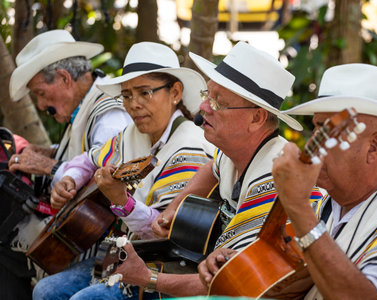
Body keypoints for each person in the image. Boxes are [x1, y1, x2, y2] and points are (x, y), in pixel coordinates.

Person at [200, 63, 377, 299]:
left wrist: (298, 208)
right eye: (315, 130)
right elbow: (302, 270)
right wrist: (244, 265)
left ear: (374, 148)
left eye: (325, 133)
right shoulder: (331, 206)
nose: (311, 145)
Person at [108, 41, 323, 298]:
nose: (203, 109)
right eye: (206, 96)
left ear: (257, 118)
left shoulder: (272, 178)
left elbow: (231, 281)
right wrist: (178, 203)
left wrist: (148, 278)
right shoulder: (233, 152)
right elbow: (213, 166)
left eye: (218, 103)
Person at [32, 41, 215, 300]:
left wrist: (122, 202)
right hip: (122, 251)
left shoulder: (190, 148)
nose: (133, 104)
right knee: (45, 290)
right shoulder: (130, 135)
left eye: (145, 93)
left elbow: (165, 234)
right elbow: (89, 159)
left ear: (175, 92)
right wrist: (71, 178)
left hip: (164, 265)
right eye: (127, 95)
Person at [2, 30, 131, 300]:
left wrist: (48, 165)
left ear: (64, 78)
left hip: (119, 247)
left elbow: (106, 175)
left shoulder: (108, 113)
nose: (40, 104)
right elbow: (87, 153)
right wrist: (49, 152)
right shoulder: (86, 105)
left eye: (41, 93)